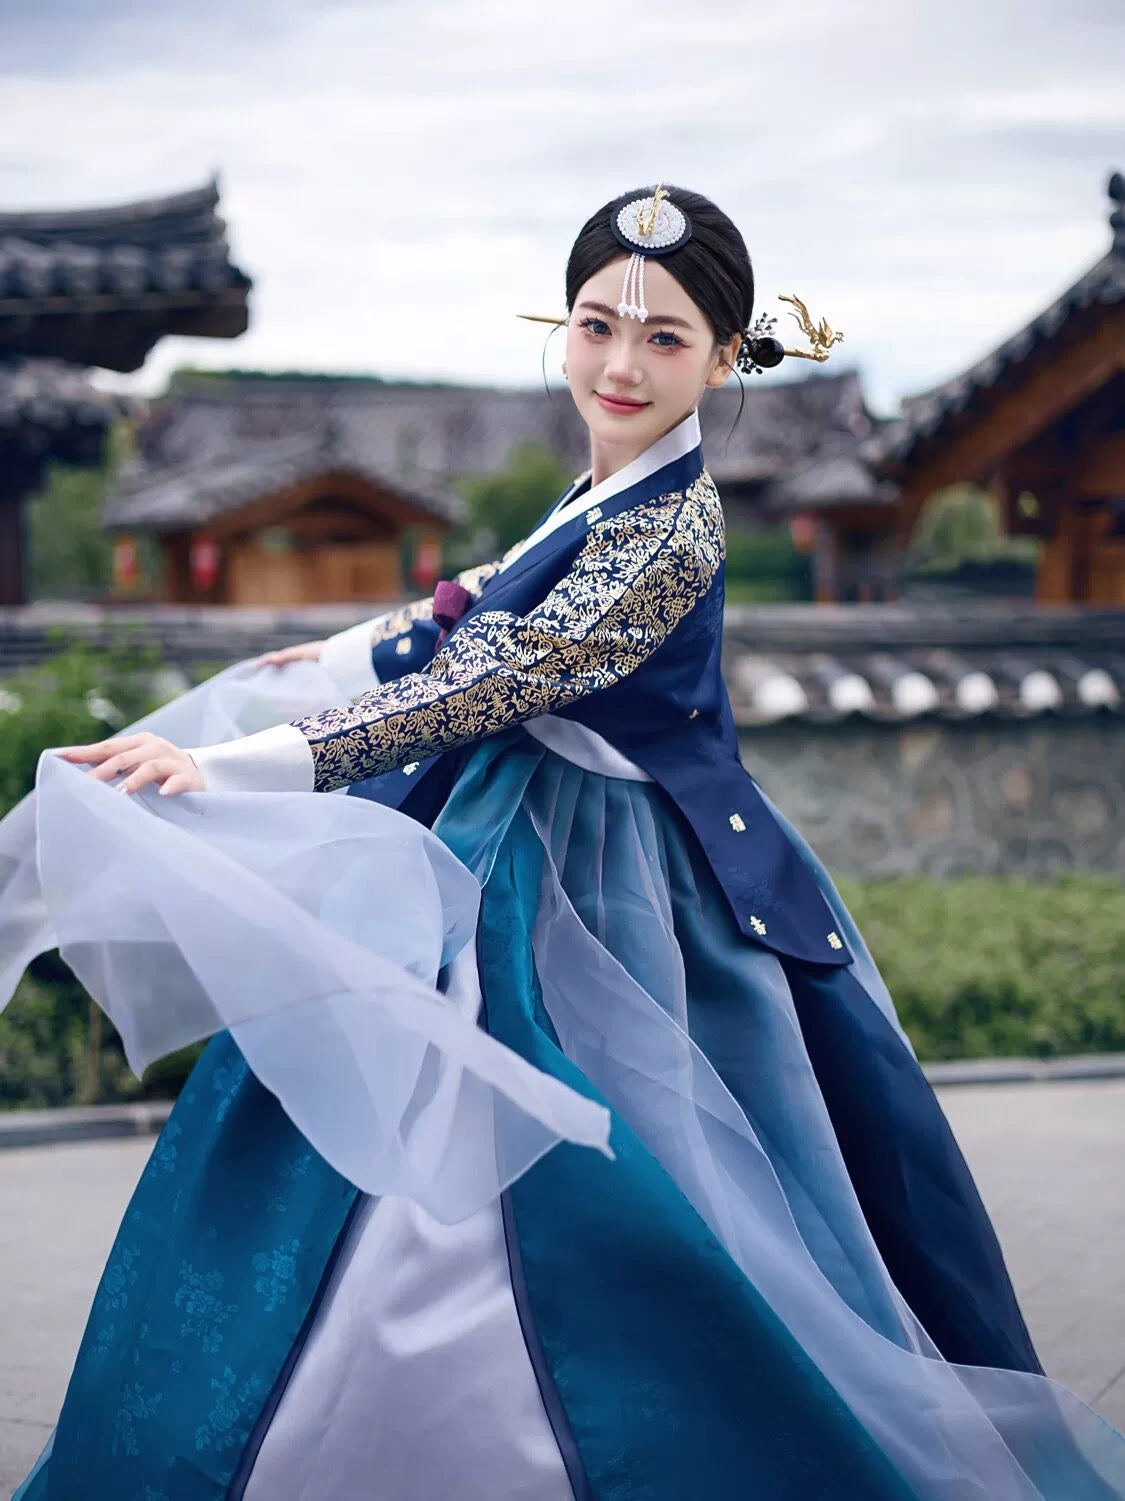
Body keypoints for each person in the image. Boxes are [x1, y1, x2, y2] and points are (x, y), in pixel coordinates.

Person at [6, 185, 1124, 1501]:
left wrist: (232, 761)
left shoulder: (675, 527)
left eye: (663, 338)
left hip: (614, 884)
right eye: (597, 325)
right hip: (487, 829)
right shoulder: (601, 487)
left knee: (626, 1180)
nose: (619, 363)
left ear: (722, 356)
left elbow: (500, 675)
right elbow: (484, 602)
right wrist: (351, 643)